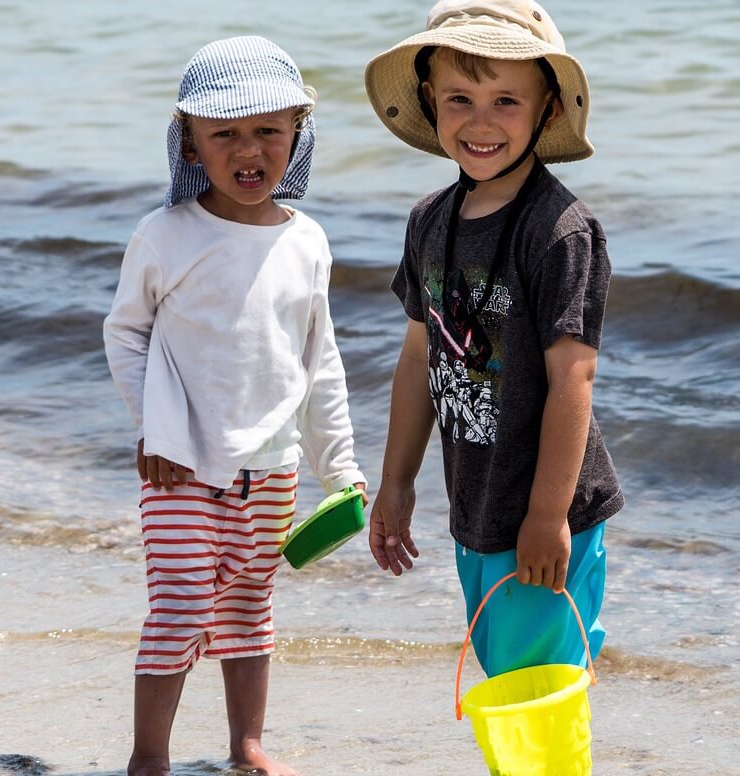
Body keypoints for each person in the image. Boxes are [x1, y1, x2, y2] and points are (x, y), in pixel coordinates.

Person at [103, 36, 363, 776]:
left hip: (273, 467)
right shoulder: (165, 236)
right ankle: (148, 756)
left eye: (268, 132)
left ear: (298, 136)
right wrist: (154, 426)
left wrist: (338, 468)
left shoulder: (307, 242)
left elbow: (320, 363)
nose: (248, 150)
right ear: (190, 143)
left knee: (250, 606)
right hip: (182, 466)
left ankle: (247, 746)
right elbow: (125, 335)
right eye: (225, 134)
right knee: (180, 608)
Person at [362, 0, 621, 696]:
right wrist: (395, 482)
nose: (481, 121)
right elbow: (419, 358)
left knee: (543, 683)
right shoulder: (430, 221)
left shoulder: (560, 231)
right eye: (460, 98)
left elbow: (574, 381)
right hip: (474, 497)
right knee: (503, 665)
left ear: (546, 111)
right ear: (429, 101)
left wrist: (545, 517)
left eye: (507, 99)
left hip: (545, 504)